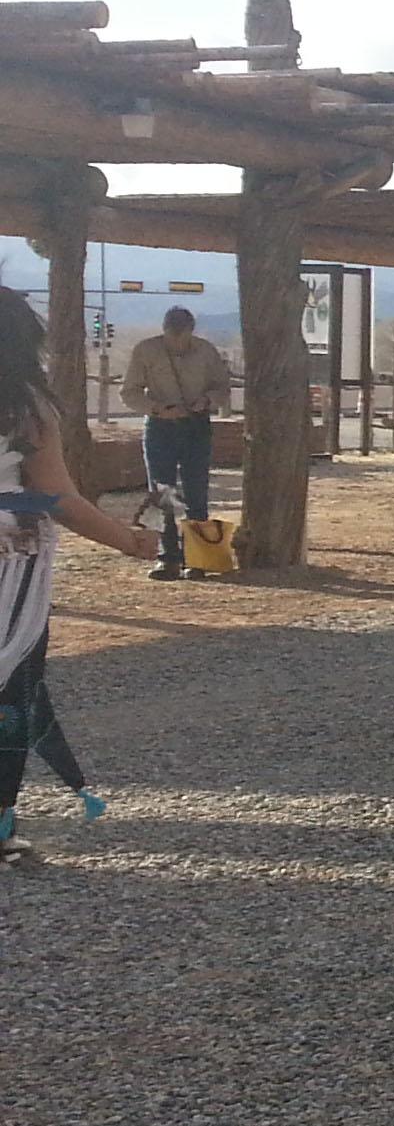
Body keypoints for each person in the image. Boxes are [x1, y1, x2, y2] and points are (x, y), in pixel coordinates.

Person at [0, 290, 156, 863]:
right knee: (12, 689)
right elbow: (60, 498)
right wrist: (132, 540)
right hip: (10, 560)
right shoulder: (25, 408)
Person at [122, 304, 232, 581]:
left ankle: (199, 560)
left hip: (196, 426)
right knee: (162, 494)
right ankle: (167, 559)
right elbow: (130, 392)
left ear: (191, 331)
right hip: (161, 426)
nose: (177, 343)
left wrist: (206, 401)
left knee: (197, 492)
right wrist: (157, 409)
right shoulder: (146, 351)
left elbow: (222, 387)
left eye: (182, 337)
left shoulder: (206, 352)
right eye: (173, 336)